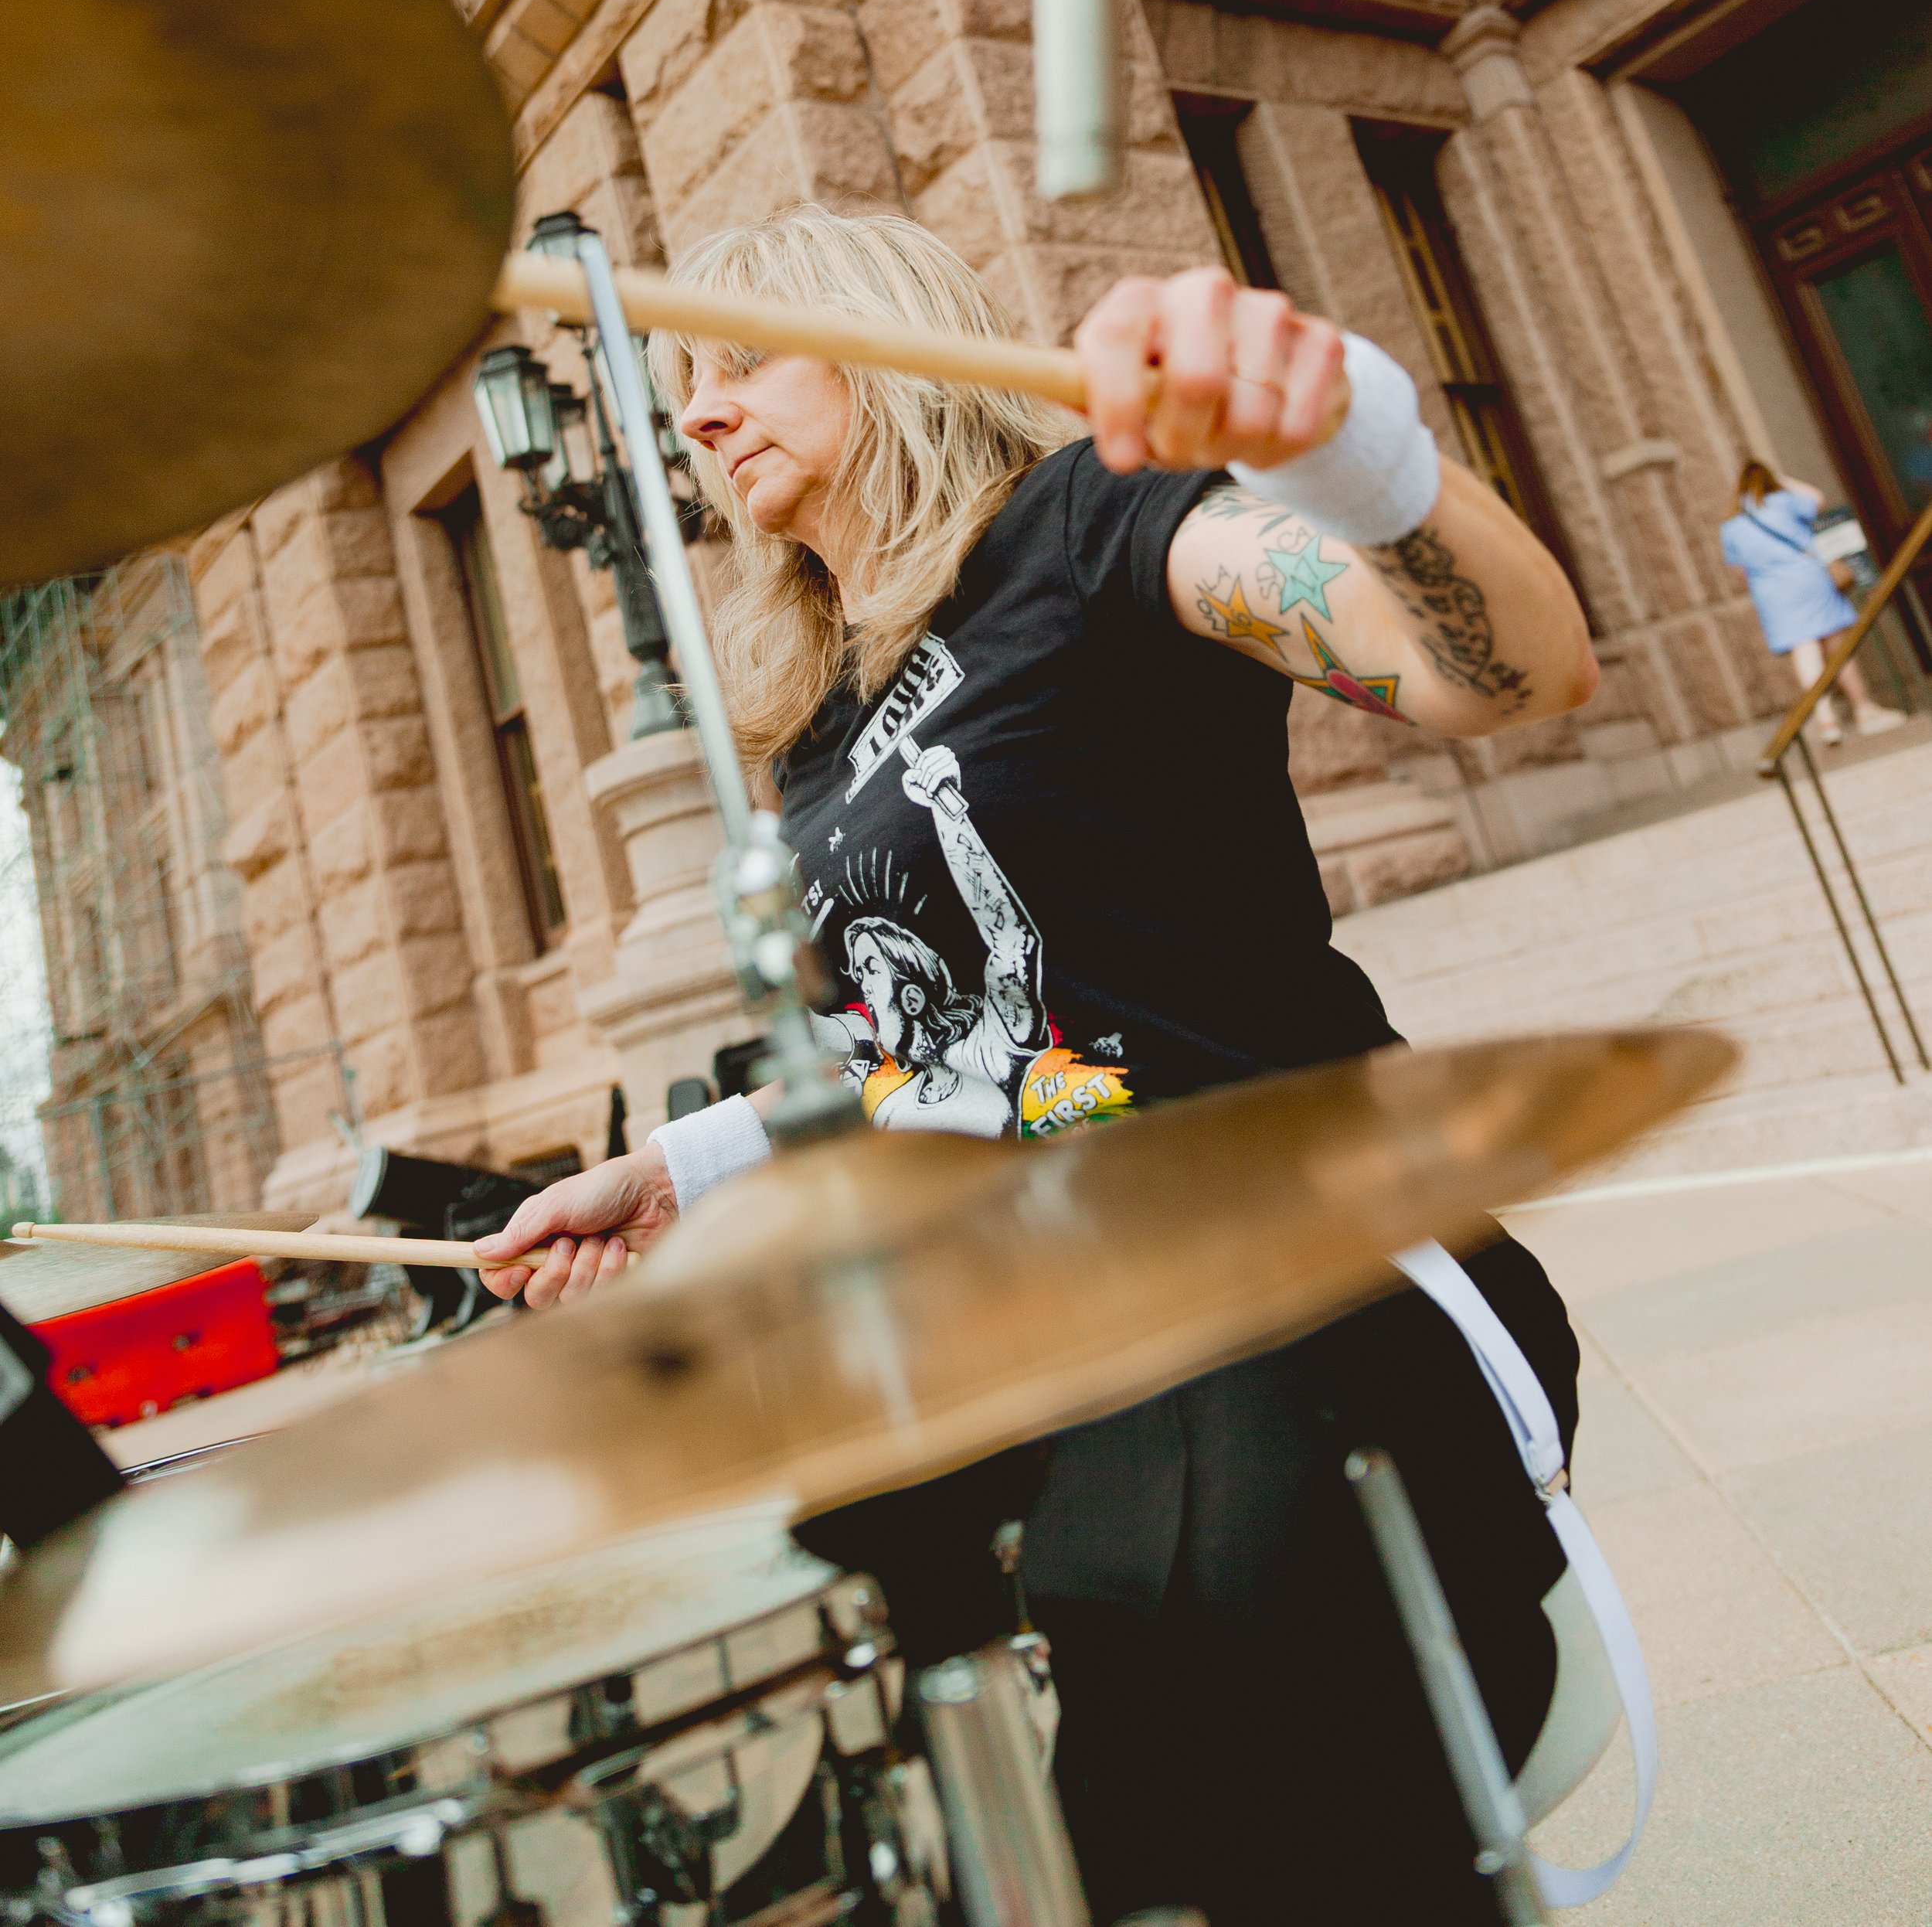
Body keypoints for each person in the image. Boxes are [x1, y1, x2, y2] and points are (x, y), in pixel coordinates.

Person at [478, 206, 1600, 1924]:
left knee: (1173, 1636)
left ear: (884, 346)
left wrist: (1355, 459)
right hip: (1043, 1317)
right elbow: (952, 1060)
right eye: (678, 390)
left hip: (1288, 1275)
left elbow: (1501, 672)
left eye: (739, 364)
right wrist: (688, 1168)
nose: (696, 417)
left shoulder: (1086, 531)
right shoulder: (818, 731)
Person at [1719, 459, 1903, 745]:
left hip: (1771, 594)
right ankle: (1864, 710)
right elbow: (1817, 499)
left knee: (1804, 651)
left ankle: (1825, 718)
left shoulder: (1732, 527)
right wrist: (1785, 478)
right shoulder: (1783, 502)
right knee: (1835, 645)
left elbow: (1739, 571)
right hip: (1808, 580)